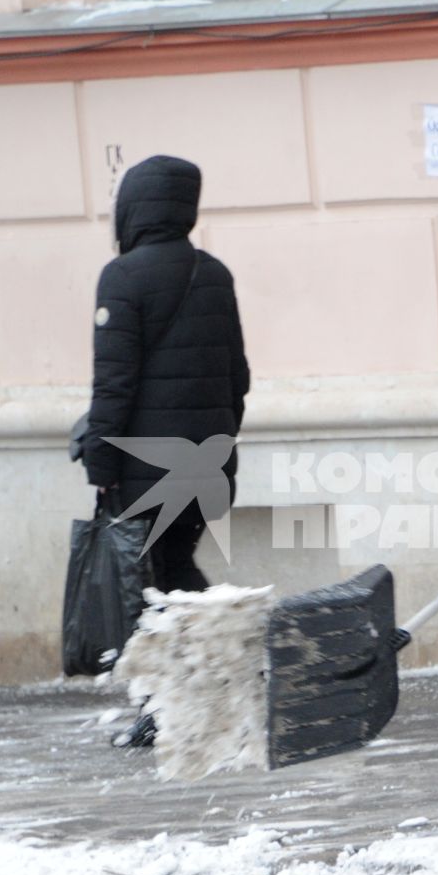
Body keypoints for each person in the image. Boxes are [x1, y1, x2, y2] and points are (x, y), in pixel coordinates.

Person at [81, 155, 249, 593]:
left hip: (145, 467)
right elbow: (238, 378)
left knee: (156, 581)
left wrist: (100, 465)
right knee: (173, 567)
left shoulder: (121, 276)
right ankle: (203, 655)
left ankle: (212, 653)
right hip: (206, 464)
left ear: (133, 207)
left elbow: (113, 385)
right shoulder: (215, 274)